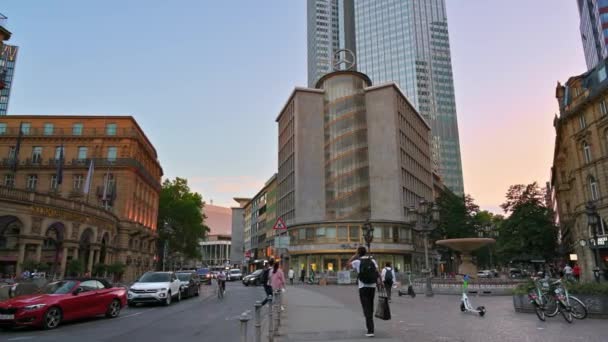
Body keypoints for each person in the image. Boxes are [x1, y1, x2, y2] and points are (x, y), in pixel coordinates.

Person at [349, 246, 380, 338]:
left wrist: (354, 255)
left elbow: (348, 264)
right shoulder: (373, 261)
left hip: (363, 287)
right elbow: (377, 272)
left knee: (366, 307)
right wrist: (380, 283)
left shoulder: (357, 261)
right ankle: (370, 323)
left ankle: (370, 330)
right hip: (372, 286)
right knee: (370, 305)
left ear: (358, 253)